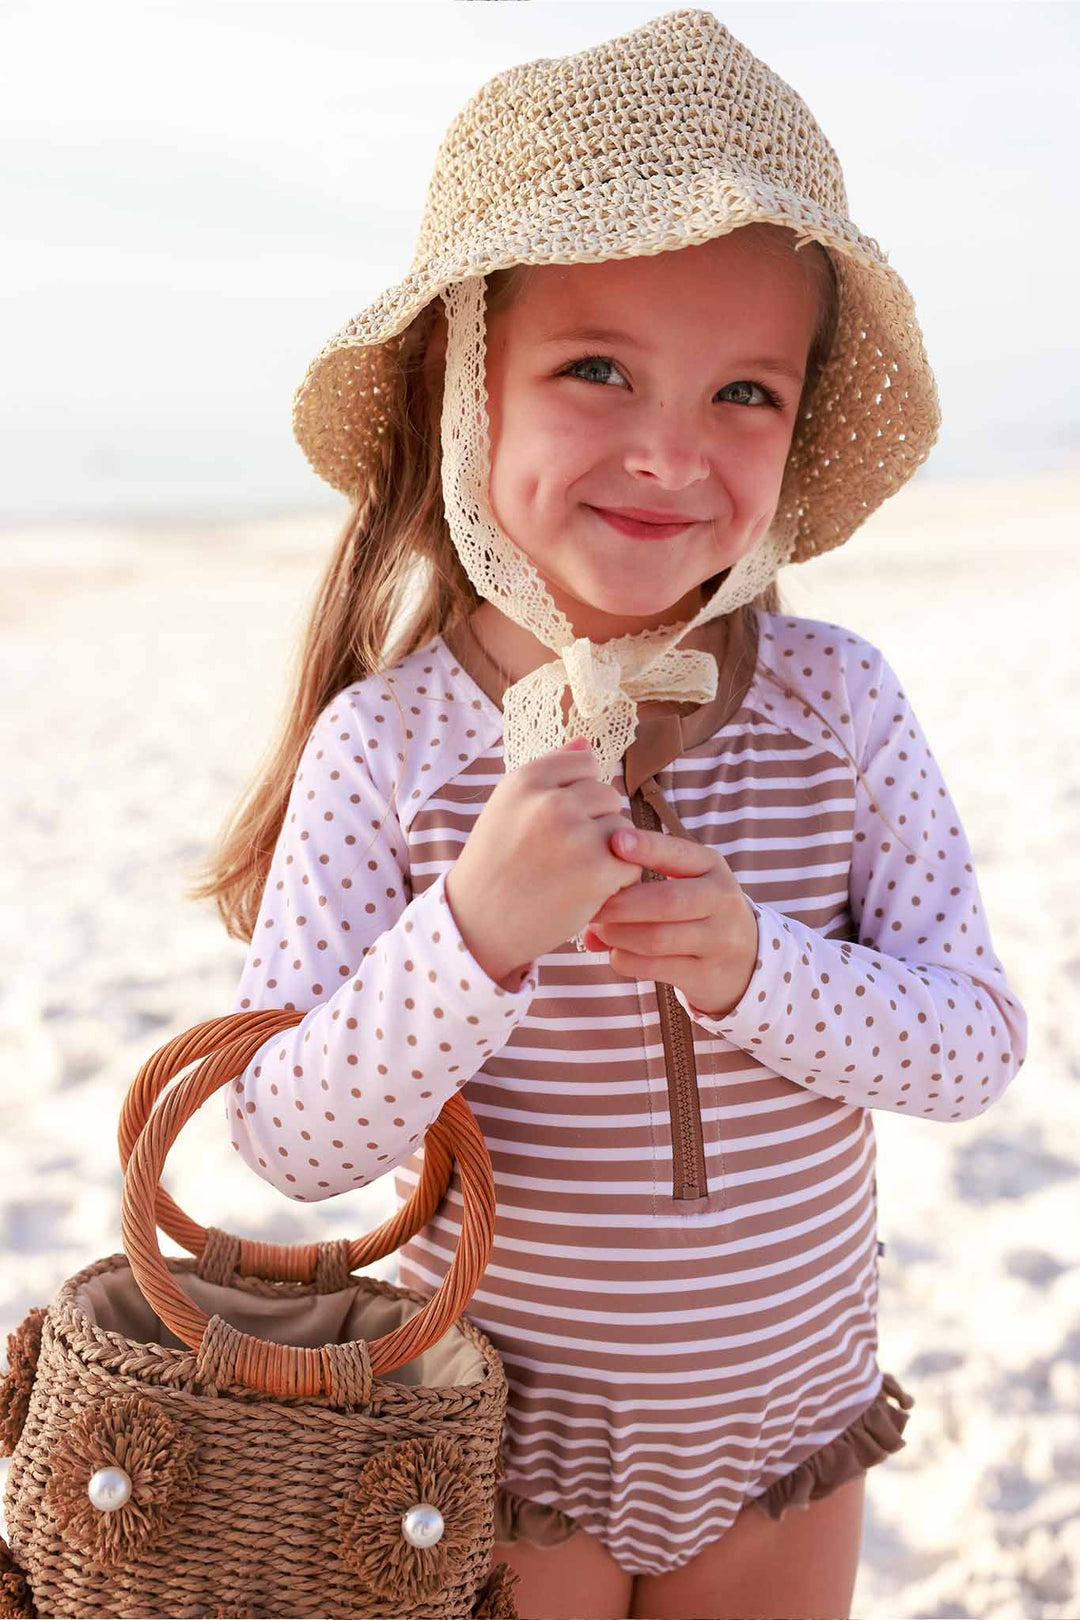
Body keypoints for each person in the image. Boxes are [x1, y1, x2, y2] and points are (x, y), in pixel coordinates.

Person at [190, 10, 1028, 1618]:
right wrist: (477, 931)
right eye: (595, 368)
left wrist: (753, 966)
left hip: (785, 1436)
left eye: (746, 393)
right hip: (491, 1458)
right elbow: (286, 1137)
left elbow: (973, 1045)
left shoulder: (835, 706)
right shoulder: (393, 752)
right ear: (463, 389)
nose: (673, 451)